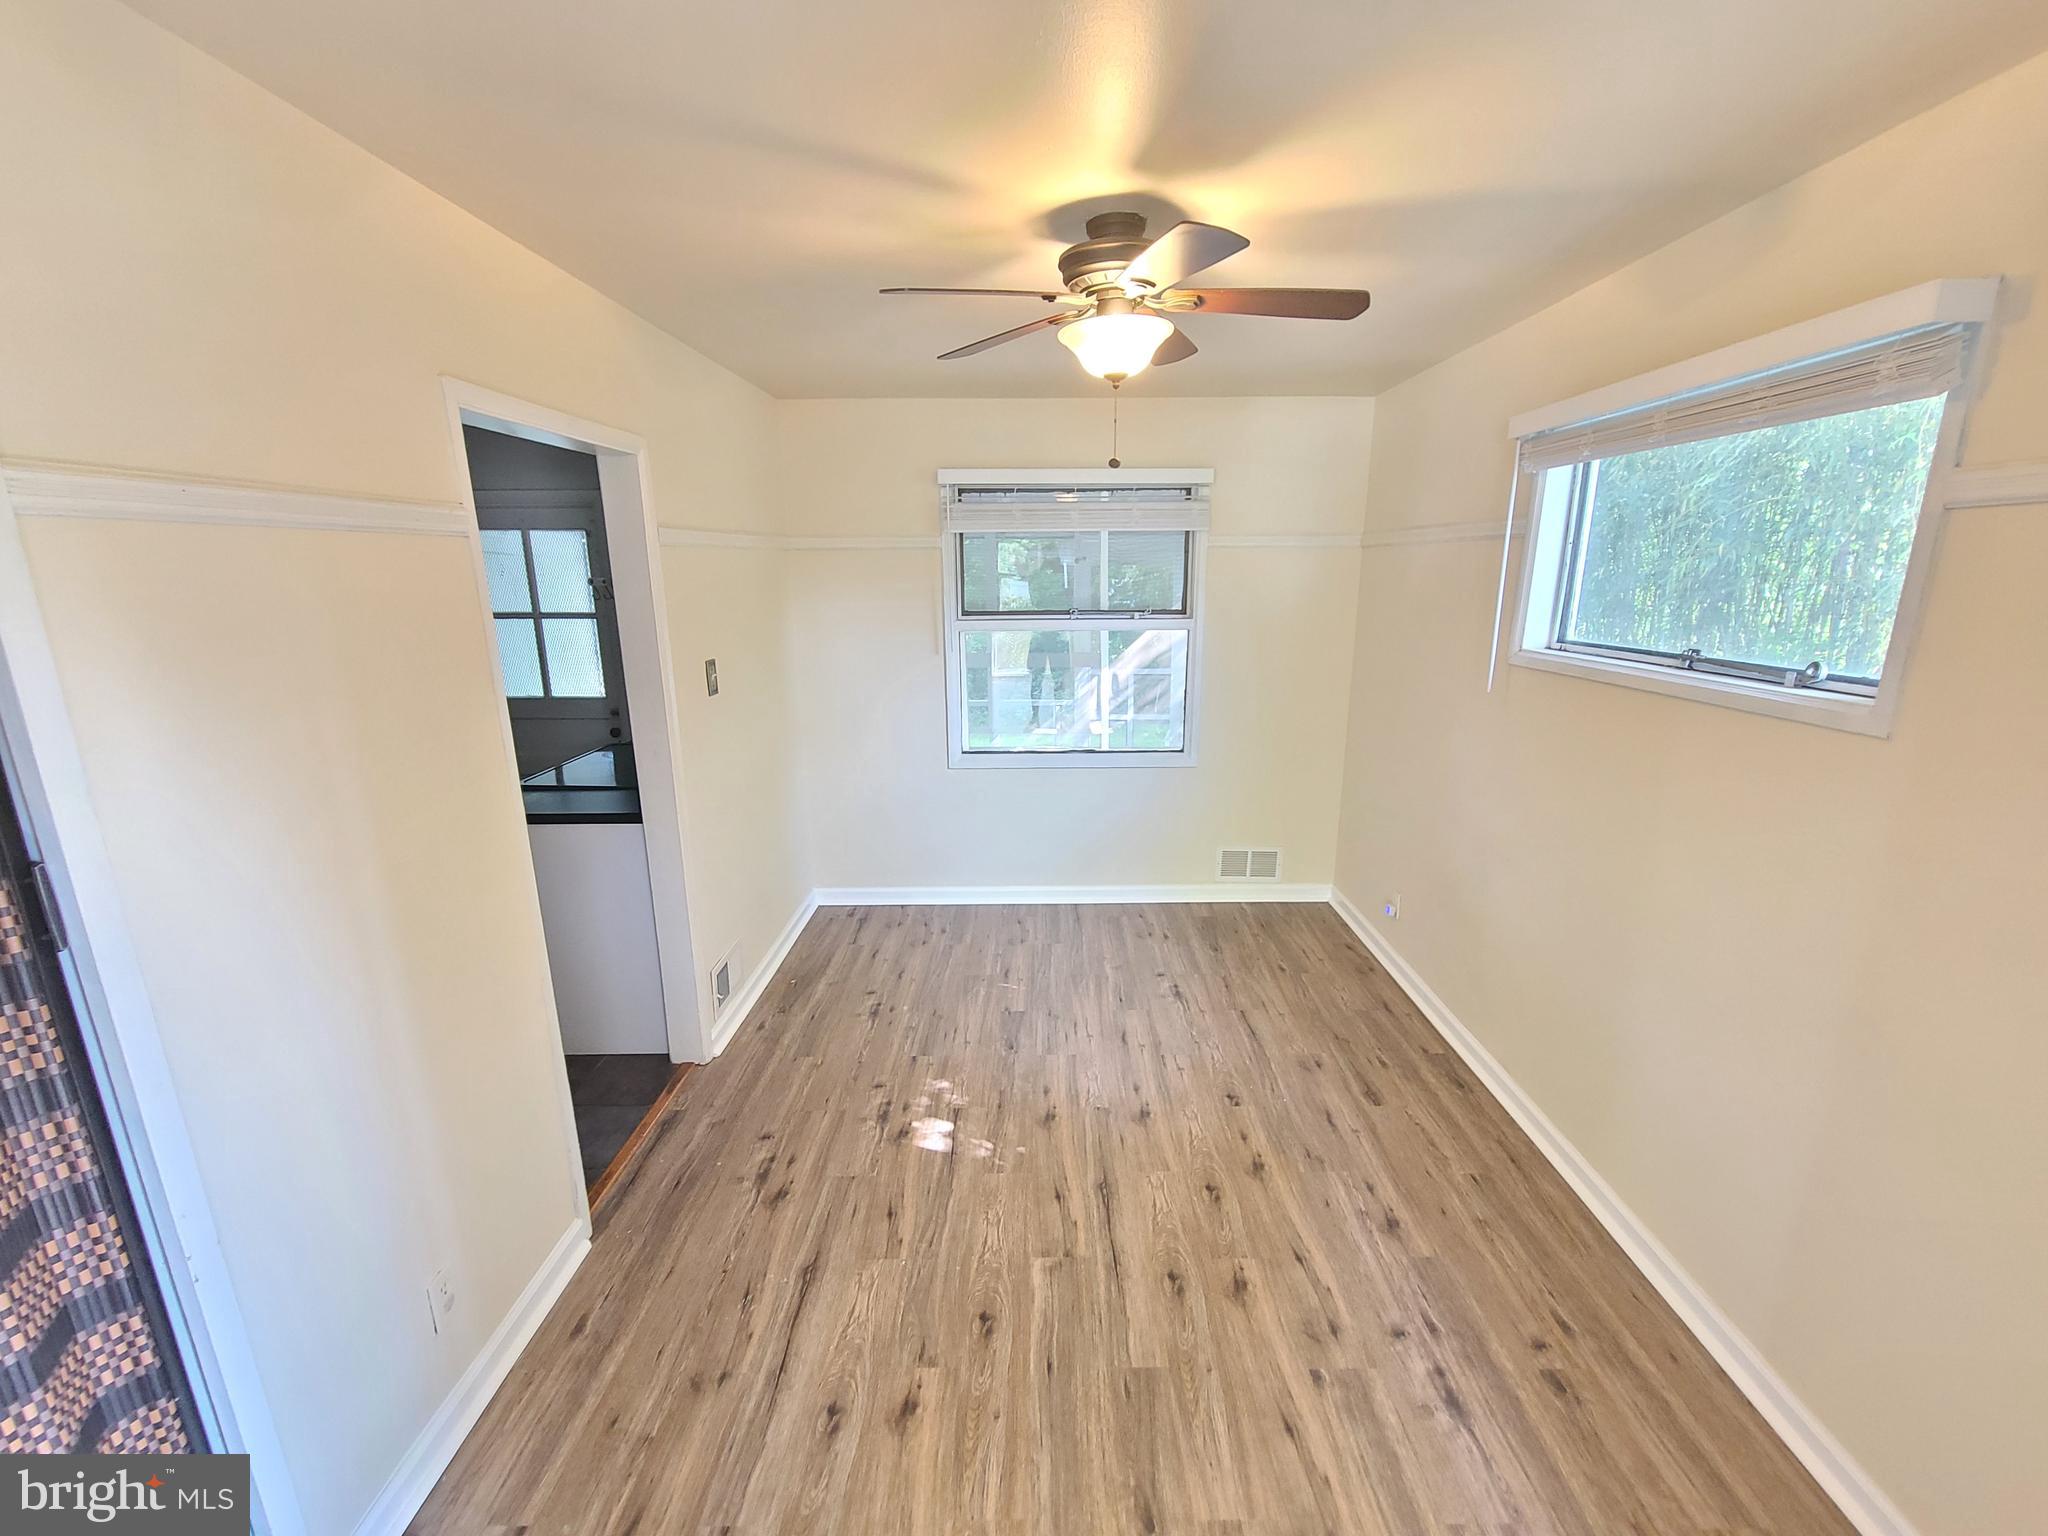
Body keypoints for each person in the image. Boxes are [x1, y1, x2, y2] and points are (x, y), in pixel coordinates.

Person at [1023, 547, 1072, 733]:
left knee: (1055, 678)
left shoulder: (1063, 580)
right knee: (1041, 678)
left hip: (1054, 636)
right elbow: (1036, 602)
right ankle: (1038, 718)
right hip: (1043, 636)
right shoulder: (1037, 579)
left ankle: (1058, 718)